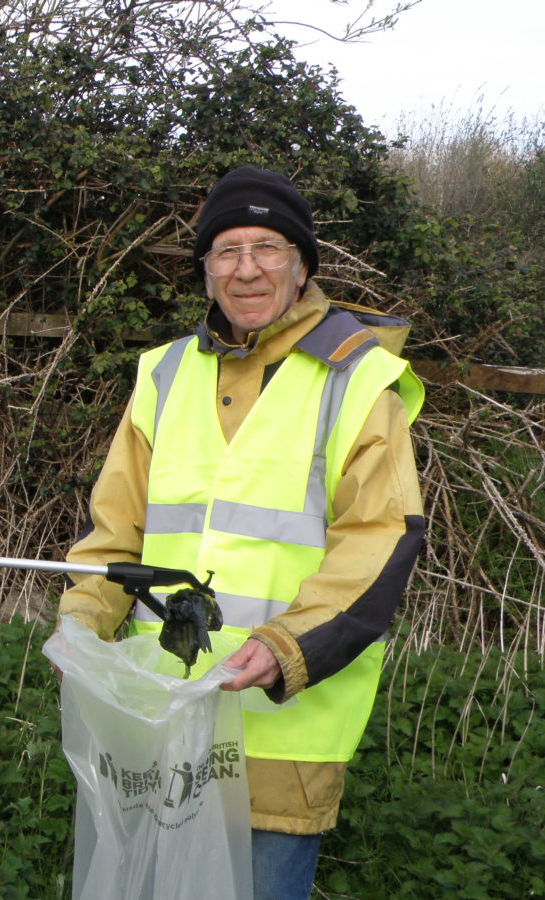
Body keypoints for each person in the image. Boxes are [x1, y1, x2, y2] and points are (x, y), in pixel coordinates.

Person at [57, 166, 425, 899]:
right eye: (226, 249)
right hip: (162, 723)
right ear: (204, 272)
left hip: (283, 731)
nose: (246, 268)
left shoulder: (356, 380)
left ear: (301, 266)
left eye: (267, 246)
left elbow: (379, 540)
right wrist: (80, 626)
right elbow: (114, 530)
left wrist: (286, 648)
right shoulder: (163, 374)